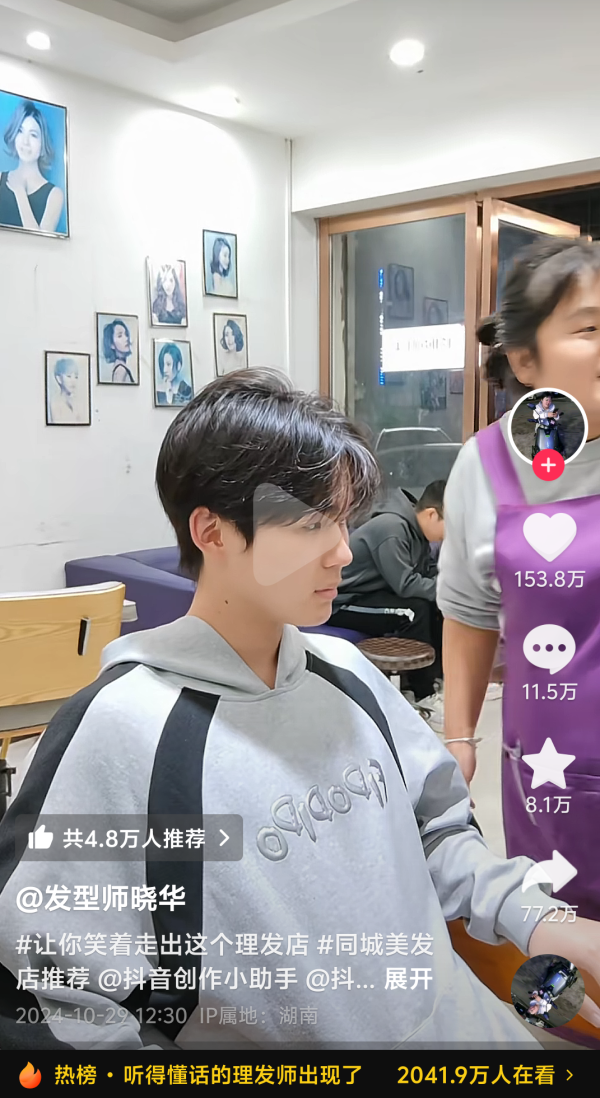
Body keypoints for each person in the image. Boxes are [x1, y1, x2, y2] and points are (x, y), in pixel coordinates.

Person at [3, 367, 600, 1053]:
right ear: (213, 531)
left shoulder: (349, 673)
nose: (342, 550)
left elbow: (436, 832)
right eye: (313, 523)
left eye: (342, 520)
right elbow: (50, 995)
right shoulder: (119, 728)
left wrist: (538, 916)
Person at [437, 237, 600, 930]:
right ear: (526, 360)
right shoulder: (485, 466)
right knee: (562, 941)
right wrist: (459, 739)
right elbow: (469, 613)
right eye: (590, 328)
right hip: (554, 773)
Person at [328, 482, 445, 721]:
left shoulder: (417, 531)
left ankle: (435, 679)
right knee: (414, 611)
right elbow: (406, 584)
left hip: (373, 593)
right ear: (432, 514)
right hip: (343, 600)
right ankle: (422, 694)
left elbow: (427, 572)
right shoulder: (392, 528)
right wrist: (447, 590)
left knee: (435, 604)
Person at [0, 99, 64, 232]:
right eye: (20, 131)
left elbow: (42, 242)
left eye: (33, 135)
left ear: (43, 144)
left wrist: (20, 193)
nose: (25, 141)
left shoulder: (55, 195)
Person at [102, 319, 136, 384]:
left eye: (126, 334)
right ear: (112, 344)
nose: (126, 338)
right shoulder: (120, 370)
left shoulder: (120, 367)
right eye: (120, 336)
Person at [48, 357, 80, 424]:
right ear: (59, 379)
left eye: (76, 377)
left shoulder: (77, 402)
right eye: (69, 376)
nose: (73, 381)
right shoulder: (55, 403)